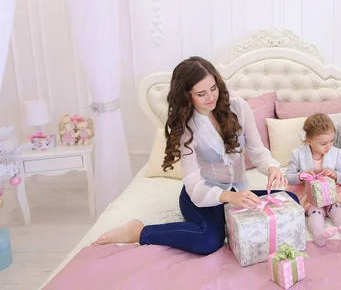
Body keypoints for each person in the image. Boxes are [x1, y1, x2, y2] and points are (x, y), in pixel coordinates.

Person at [93, 56, 294, 255]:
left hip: (238, 193)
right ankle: (139, 232)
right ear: (187, 96)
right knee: (209, 241)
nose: (211, 97)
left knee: (291, 200)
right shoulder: (187, 128)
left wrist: (271, 167)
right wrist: (228, 197)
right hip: (202, 196)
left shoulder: (238, 107)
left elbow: (258, 151)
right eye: (201, 93)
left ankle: (228, 221)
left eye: (213, 88)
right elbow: (194, 185)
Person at [285, 113, 341, 246]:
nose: (328, 146)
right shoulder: (297, 154)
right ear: (309, 141)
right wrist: (301, 176)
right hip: (308, 194)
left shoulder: (335, 153)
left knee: (335, 207)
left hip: (331, 191)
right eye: (323, 143)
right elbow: (288, 177)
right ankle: (319, 234)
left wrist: (336, 175)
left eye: (331, 141)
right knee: (316, 211)